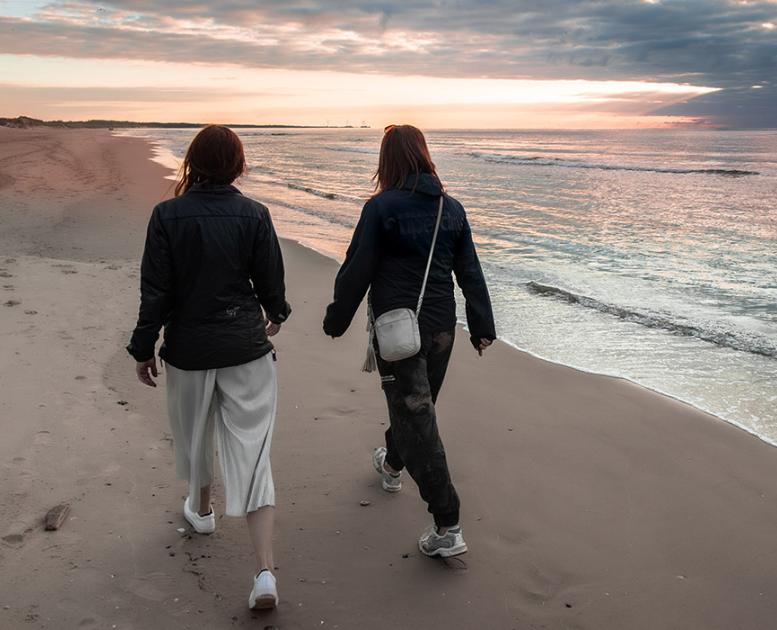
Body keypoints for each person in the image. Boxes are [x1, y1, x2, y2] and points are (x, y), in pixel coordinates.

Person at [126, 125, 291, 609]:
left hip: (190, 349)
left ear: (191, 163)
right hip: (245, 349)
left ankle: (201, 510)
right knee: (254, 456)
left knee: (194, 436)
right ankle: (264, 572)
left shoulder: (167, 215)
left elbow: (155, 291)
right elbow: (271, 282)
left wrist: (143, 347)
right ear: (238, 165)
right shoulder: (255, 214)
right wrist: (276, 313)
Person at [323, 124, 495, 558]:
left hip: (399, 332)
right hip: (441, 329)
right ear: (424, 155)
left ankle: (448, 525)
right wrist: (481, 326)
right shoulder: (451, 208)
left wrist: (336, 319)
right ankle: (392, 464)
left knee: (418, 422)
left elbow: (357, 267)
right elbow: (469, 272)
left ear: (388, 161)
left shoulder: (382, 207)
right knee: (416, 412)